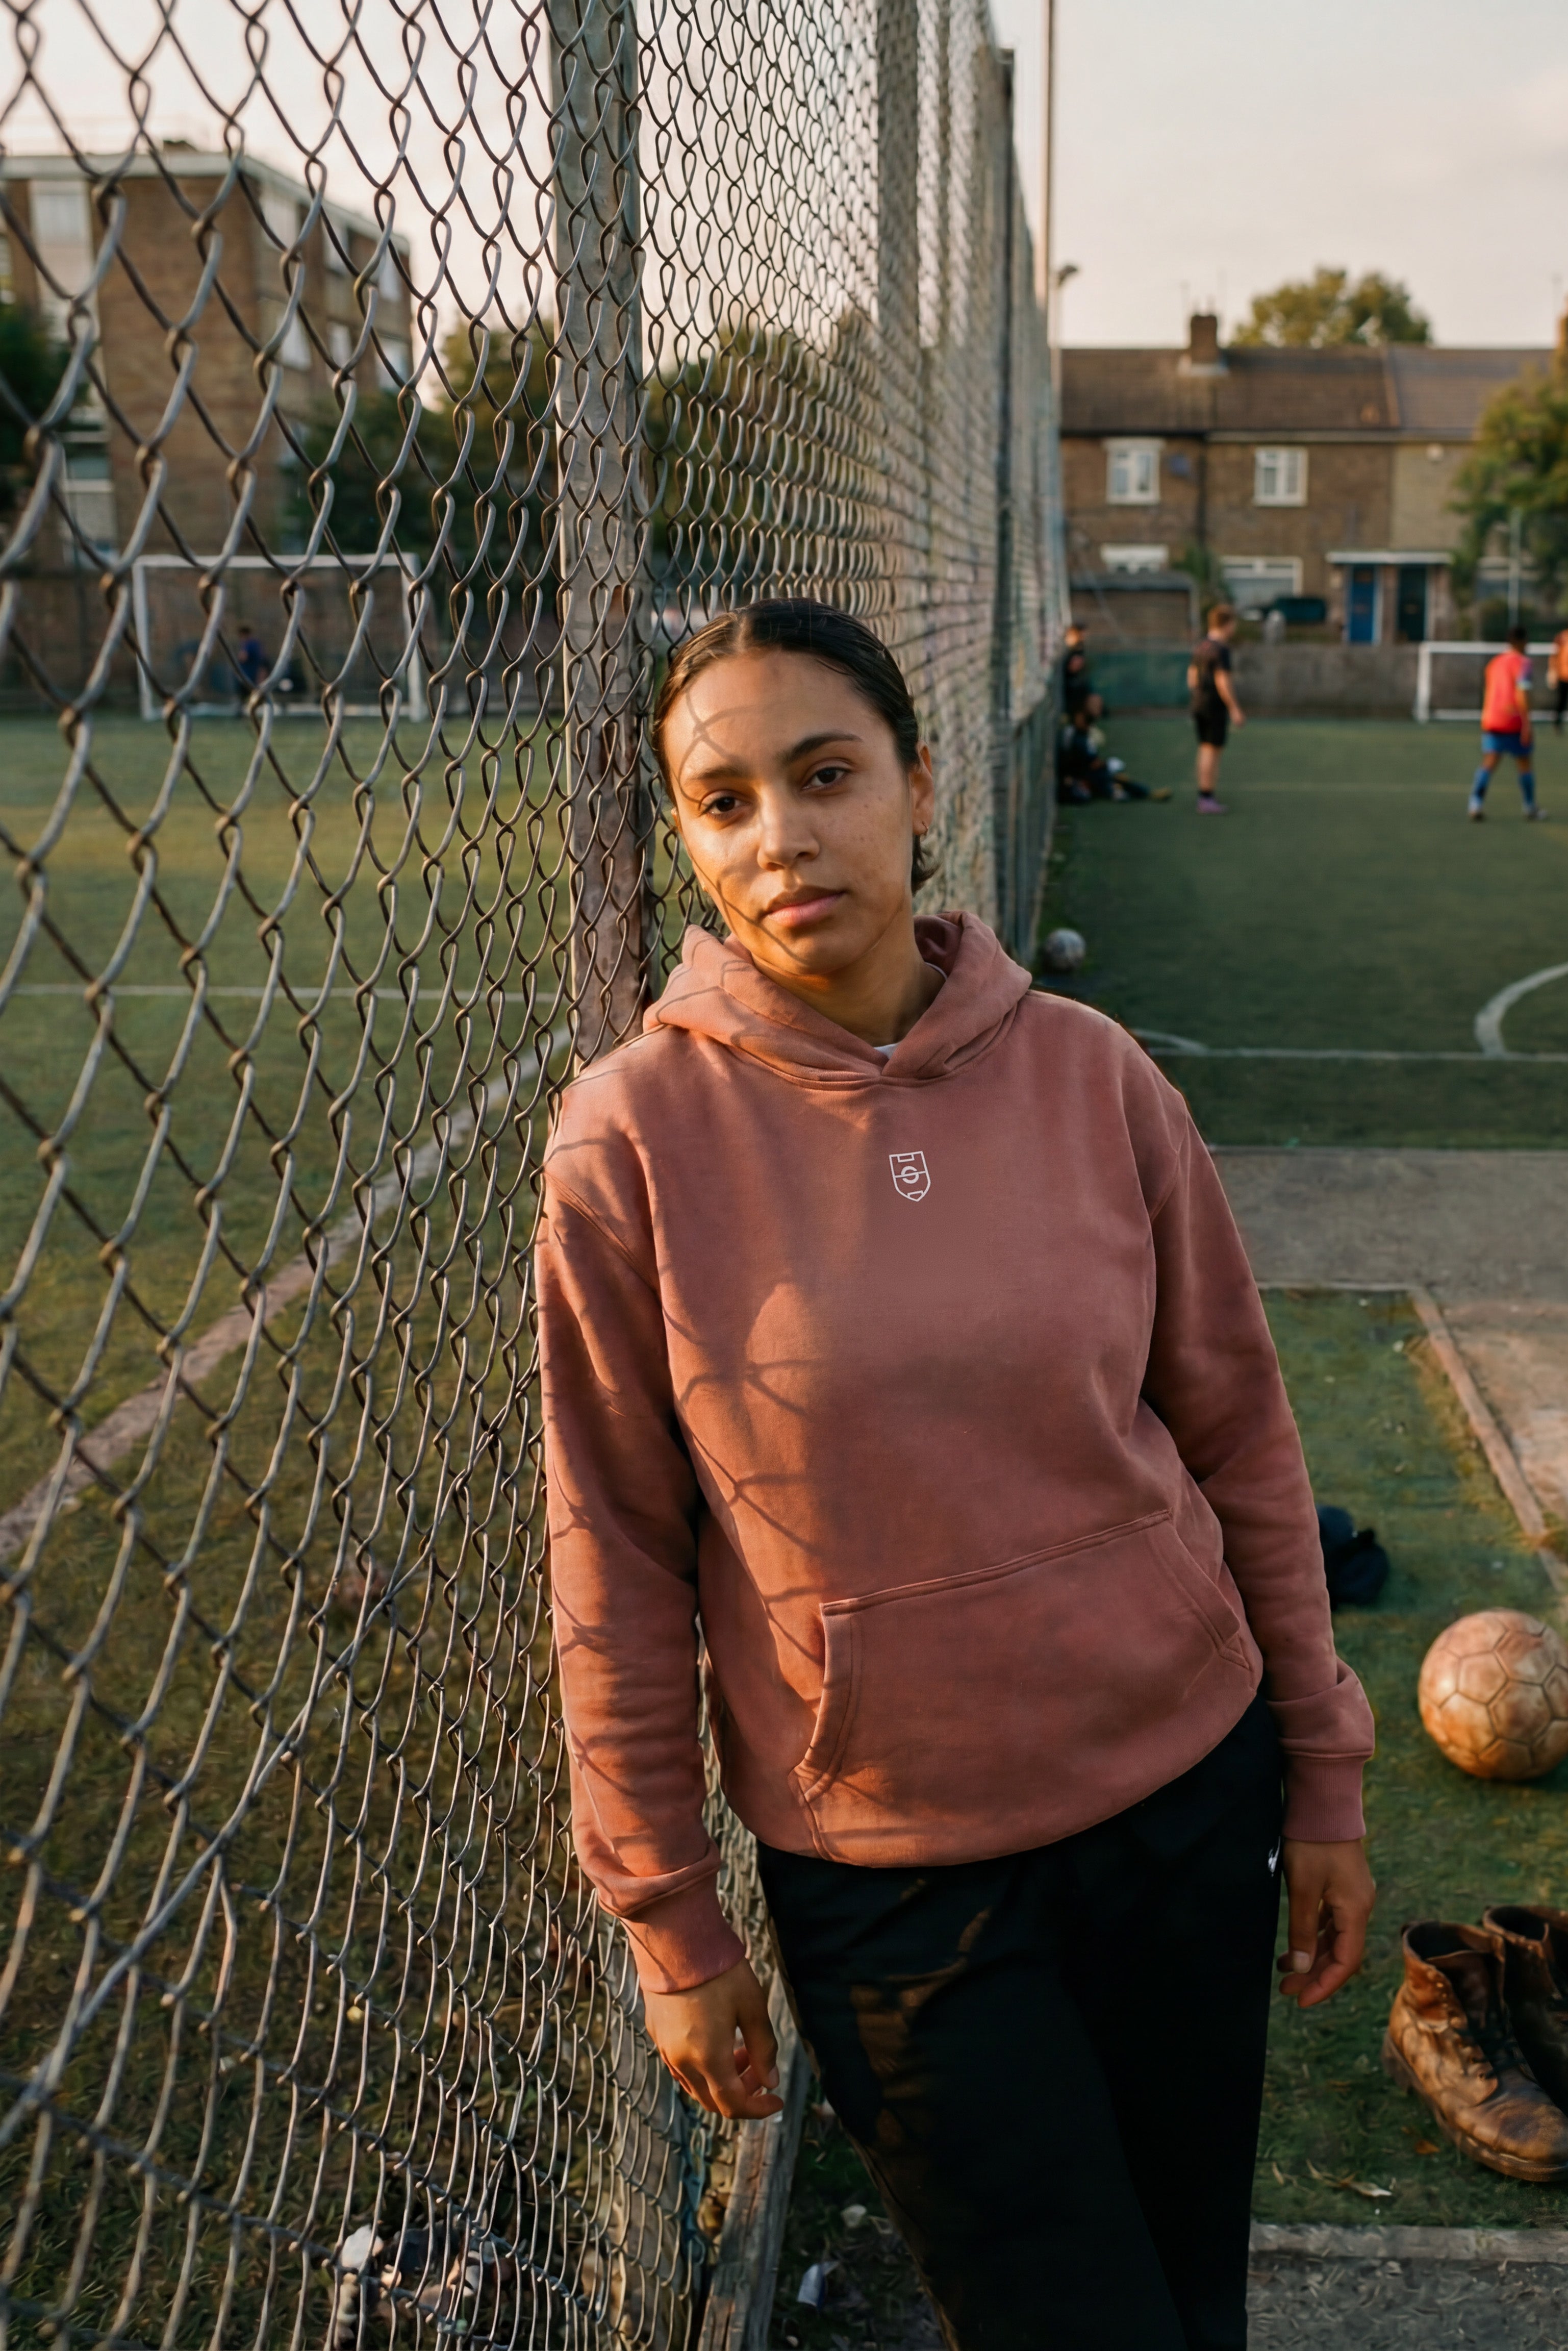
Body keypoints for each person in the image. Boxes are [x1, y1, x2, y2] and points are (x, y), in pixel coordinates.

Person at [535, 599, 1376, 2351]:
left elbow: (1238, 1434)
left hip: (1183, 1799)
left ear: (921, 786)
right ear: (687, 839)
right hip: (899, 1879)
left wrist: (1322, 1767)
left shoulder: (1094, 1076)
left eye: (826, 773)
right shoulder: (632, 1140)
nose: (783, 835)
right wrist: (672, 1913)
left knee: (1187, 2295)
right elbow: (611, 1547)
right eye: (725, 799)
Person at [1468, 624, 1541, 820]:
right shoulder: (1523, 663)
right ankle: (1530, 807)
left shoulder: (1495, 663)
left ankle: (1475, 804)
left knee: (1489, 763)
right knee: (1524, 764)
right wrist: (1527, 723)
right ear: (1522, 642)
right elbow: (1522, 693)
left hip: (1492, 719)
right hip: (1514, 719)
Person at [1186, 603, 1244, 814]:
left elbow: (1192, 677)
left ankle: (1205, 793)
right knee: (1212, 750)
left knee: (1205, 748)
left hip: (1199, 704)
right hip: (1213, 706)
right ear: (1226, 624)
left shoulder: (1201, 646)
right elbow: (1223, 682)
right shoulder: (1221, 650)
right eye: (1233, 623)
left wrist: (1198, 696)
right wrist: (1234, 708)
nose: (1235, 628)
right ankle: (1206, 797)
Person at [1060, 621, 1092, 719]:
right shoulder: (1073, 648)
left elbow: (1075, 667)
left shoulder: (1079, 649)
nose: (1083, 637)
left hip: (1072, 688)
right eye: (1081, 634)